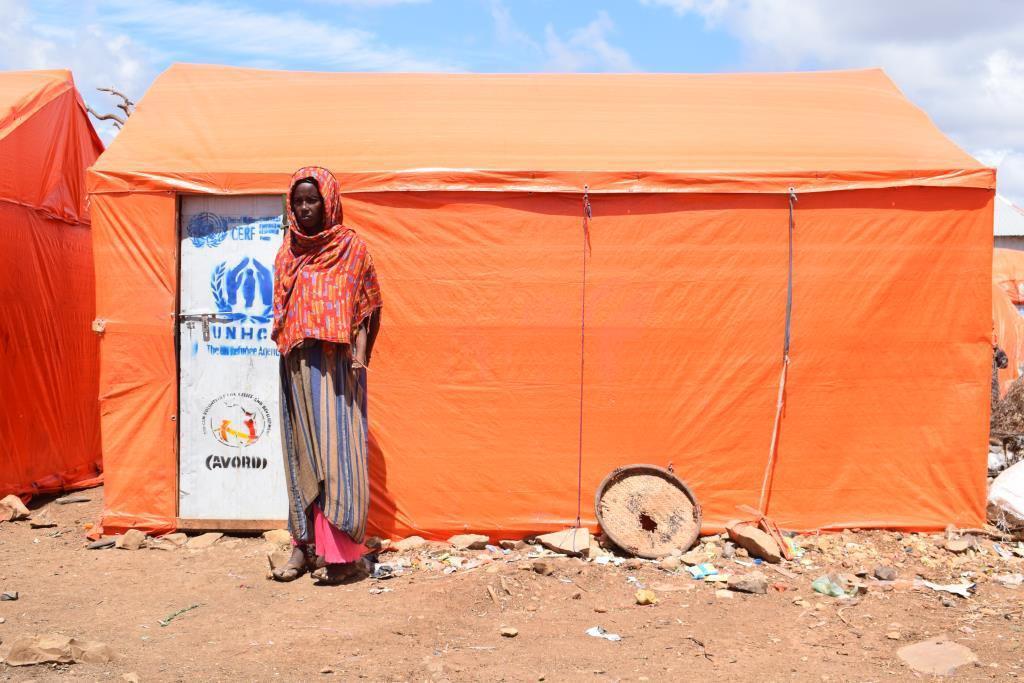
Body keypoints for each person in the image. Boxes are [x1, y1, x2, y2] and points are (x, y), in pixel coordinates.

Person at [270, 167, 382, 584]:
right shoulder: (288, 251)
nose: (304, 208)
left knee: (337, 459)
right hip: (297, 365)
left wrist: (359, 353)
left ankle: (342, 557)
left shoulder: (351, 248)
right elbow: (282, 311)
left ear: (329, 202)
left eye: (312, 200)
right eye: (298, 200)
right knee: (301, 453)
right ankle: (303, 547)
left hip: (337, 369)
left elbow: (366, 304)